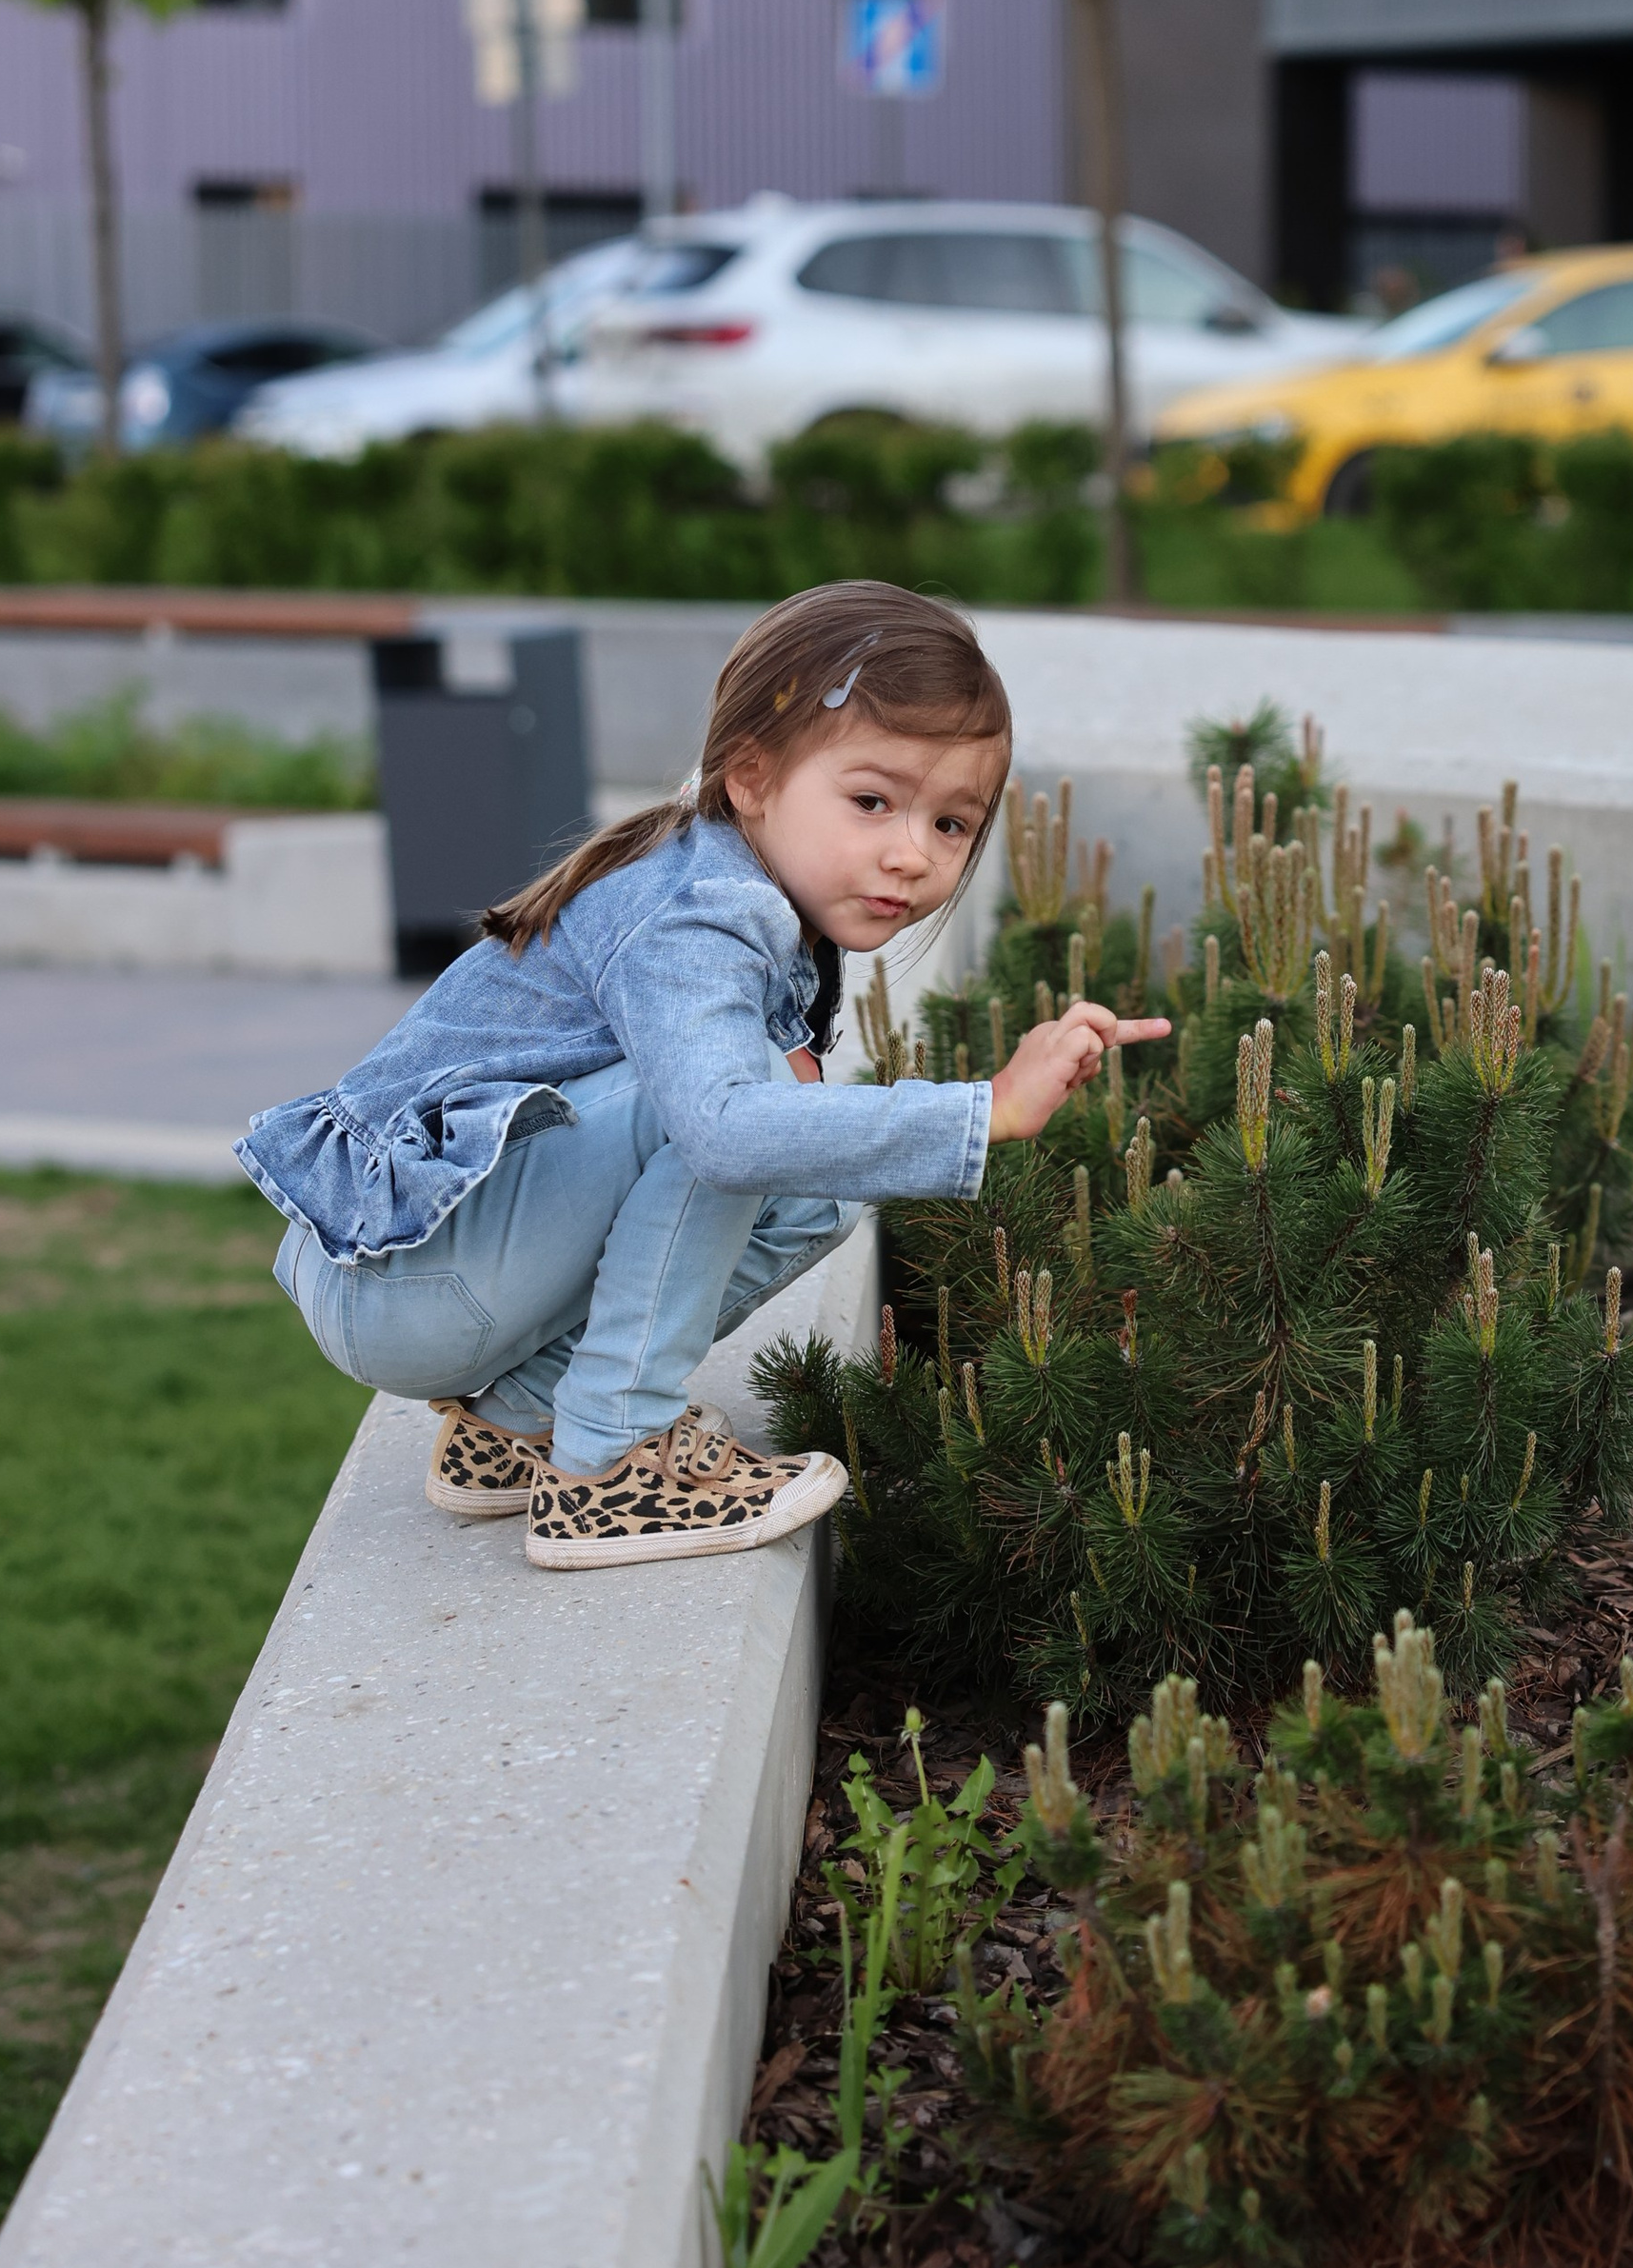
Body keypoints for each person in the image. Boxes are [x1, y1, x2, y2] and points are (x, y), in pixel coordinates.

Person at [240, 582, 1164, 1572]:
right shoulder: (700, 910)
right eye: (872, 801)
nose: (911, 855)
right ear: (751, 777)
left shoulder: (733, 876)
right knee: (744, 1113)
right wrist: (990, 1109)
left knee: (815, 1185)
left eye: (950, 824)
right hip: (406, 1275)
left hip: (416, 1271)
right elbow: (721, 1132)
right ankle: (611, 1465)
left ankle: (516, 1423)